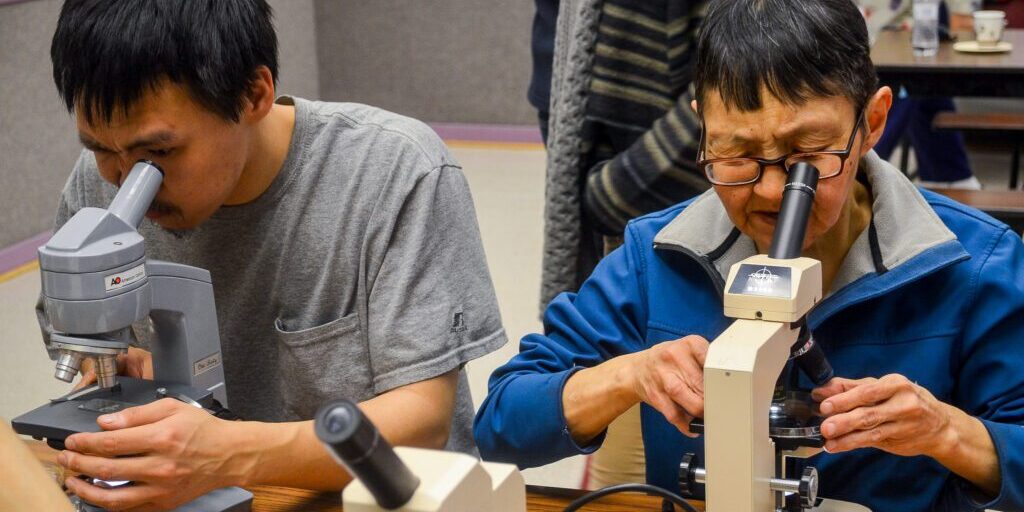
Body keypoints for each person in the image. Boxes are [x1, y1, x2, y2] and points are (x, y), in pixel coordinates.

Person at [474, 1, 1024, 510]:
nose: (771, 192)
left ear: (871, 123)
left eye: (807, 155)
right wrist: (629, 376)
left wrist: (949, 432)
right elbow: (500, 426)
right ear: (702, 128)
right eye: (735, 154)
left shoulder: (975, 265)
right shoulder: (656, 255)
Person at [36, 0, 506, 509]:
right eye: (101, 148)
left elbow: (422, 424)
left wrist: (226, 454)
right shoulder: (94, 183)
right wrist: (115, 368)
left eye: (159, 154)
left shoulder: (394, 173)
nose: (126, 182)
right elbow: (90, 350)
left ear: (253, 94)